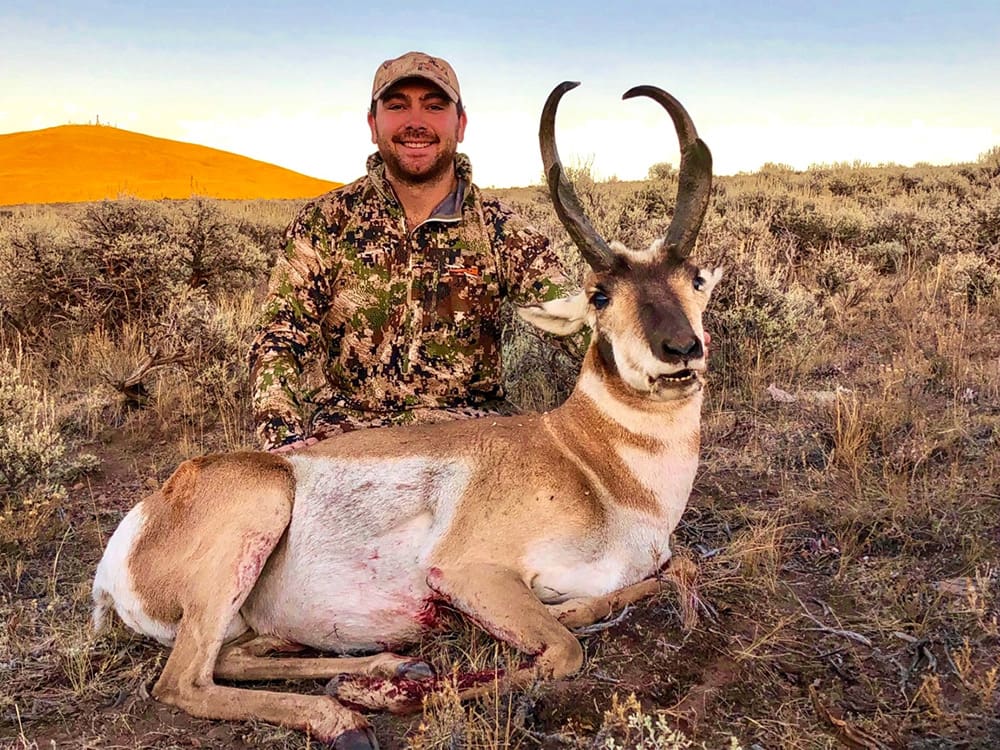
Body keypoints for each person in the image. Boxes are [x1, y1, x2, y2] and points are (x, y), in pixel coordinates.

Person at [248, 51, 576, 452]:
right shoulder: (326, 222)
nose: (416, 122)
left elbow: (577, 323)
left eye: (435, 106)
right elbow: (279, 335)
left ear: (461, 123)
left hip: (474, 443)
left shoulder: (501, 228)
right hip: (350, 437)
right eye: (397, 106)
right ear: (373, 124)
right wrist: (282, 436)